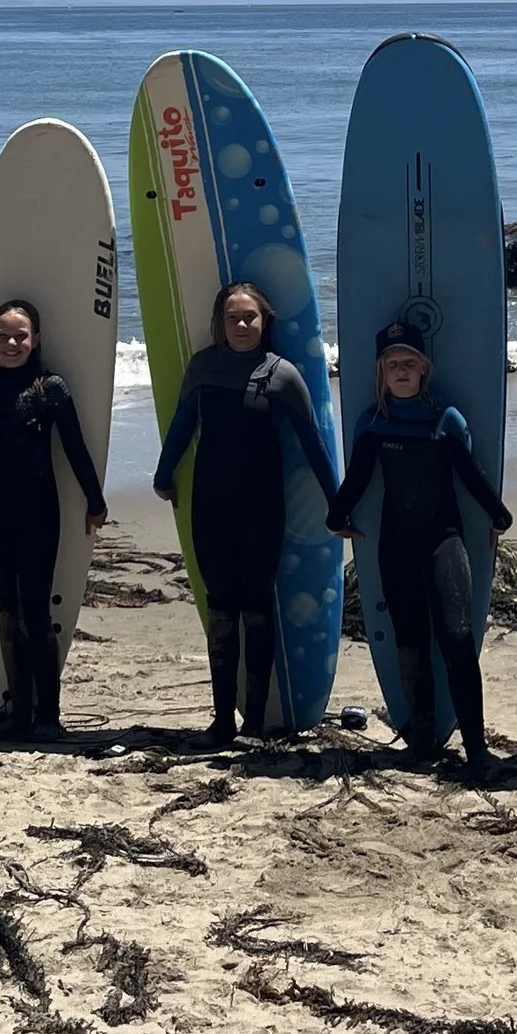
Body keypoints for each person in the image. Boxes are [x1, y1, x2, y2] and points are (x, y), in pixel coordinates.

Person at [328, 317, 512, 781]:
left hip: (443, 539)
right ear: (382, 372)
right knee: (409, 641)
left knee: (456, 638)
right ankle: (422, 744)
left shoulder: (443, 420)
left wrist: (499, 516)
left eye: (410, 362)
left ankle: (476, 751)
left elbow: (469, 475)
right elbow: (358, 479)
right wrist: (336, 518)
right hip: (396, 544)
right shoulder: (373, 423)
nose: (402, 371)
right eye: (393, 364)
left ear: (424, 369)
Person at [151, 278, 334, 744]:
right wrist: (163, 472)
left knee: (257, 606)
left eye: (250, 316)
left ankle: (253, 720)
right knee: (220, 608)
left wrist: (338, 502)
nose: (242, 324)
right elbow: (182, 424)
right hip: (210, 505)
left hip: (262, 507)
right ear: (220, 322)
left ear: (264, 320)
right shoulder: (203, 368)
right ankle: (220, 720)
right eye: (233, 317)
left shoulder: (281, 374)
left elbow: (312, 441)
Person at [0, 297, 107, 743]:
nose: (12, 343)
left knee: (35, 608)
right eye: (3, 336)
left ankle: (49, 714)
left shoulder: (50, 389)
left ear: (36, 341)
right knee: (7, 609)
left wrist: (95, 500)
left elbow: (75, 447)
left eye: (21, 336)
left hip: (39, 513)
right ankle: (19, 713)